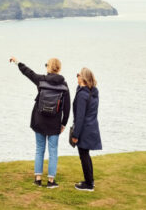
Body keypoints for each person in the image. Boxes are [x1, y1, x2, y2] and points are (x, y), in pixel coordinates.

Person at [9, 57, 71, 188]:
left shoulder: (41, 80)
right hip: (55, 123)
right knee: (53, 151)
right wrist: (63, 124)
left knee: (39, 149)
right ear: (59, 68)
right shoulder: (64, 86)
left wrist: (17, 62)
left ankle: (37, 179)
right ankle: (51, 181)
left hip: (39, 121)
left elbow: (28, 72)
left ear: (48, 67)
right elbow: (67, 107)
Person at [71, 68, 101, 192]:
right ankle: (90, 181)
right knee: (86, 155)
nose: (76, 76)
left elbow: (80, 117)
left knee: (84, 156)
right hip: (91, 127)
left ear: (83, 78)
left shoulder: (83, 95)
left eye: (78, 74)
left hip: (84, 129)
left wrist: (75, 134)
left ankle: (89, 184)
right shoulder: (92, 92)